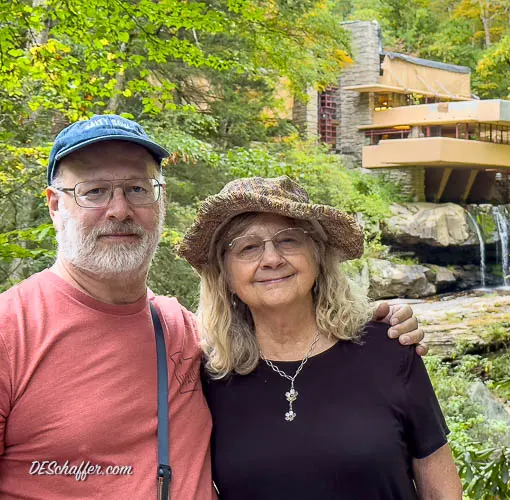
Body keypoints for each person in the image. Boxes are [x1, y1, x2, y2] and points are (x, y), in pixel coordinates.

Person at [0, 115, 425, 499]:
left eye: (137, 189)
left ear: (160, 202)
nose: (119, 209)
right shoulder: (11, 331)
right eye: (94, 191)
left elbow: (290, 339)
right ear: (55, 205)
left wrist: (373, 324)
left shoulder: (186, 334)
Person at [179, 176, 463, 499]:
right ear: (227, 276)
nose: (271, 259)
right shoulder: (210, 379)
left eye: (288, 240)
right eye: (248, 247)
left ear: (316, 256)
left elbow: (441, 489)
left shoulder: (388, 348)